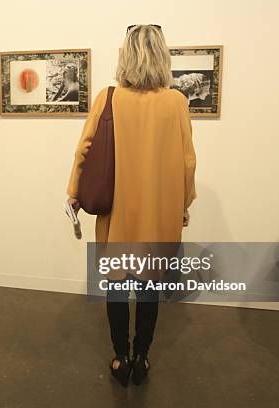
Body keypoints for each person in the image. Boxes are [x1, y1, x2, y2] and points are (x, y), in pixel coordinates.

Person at [66, 24, 196, 386]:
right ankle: (143, 356)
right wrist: (184, 203)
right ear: (162, 55)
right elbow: (188, 161)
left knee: (118, 286)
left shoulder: (108, 97)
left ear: (126, 55)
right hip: (159, 213)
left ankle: (120, 358)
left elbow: (85, 149)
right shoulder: (176, 102)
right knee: (151, 286)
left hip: (118, 212)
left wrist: (74, 191)